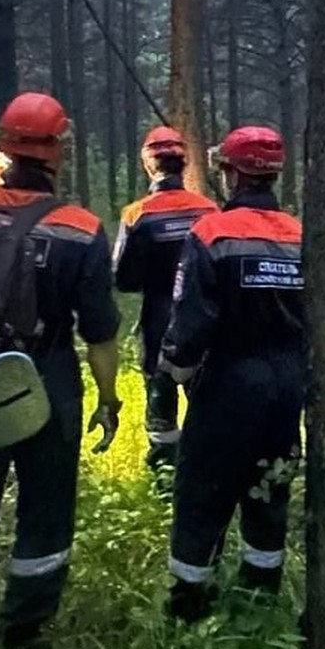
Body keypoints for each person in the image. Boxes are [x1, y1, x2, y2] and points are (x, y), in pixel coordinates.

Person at [0, 92, 122, 649]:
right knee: (45, 515)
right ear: (57, 150)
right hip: (46, 386)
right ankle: (23, 641)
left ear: (4, 147)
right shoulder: (81, 229)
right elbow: (100, 334)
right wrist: (108, 400)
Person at [159, 126, 305, 622]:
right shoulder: (304, 236)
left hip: (227, 389)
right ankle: (259, 604)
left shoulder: (211, 233)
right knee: (270, 493)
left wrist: (174, 371)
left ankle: (187, 607)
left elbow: (192, 320)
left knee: (202, 495)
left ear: (233, 172)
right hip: (288, 391)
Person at [113, 126, 218, 472]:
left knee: (161, 404)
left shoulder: (136, 215)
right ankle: (207, 473)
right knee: (206, 401)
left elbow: (123, 279)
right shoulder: (209, 210)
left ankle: (164, 478)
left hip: (159, 320)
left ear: (148, 165)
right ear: (183, 164)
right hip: (206, 324)